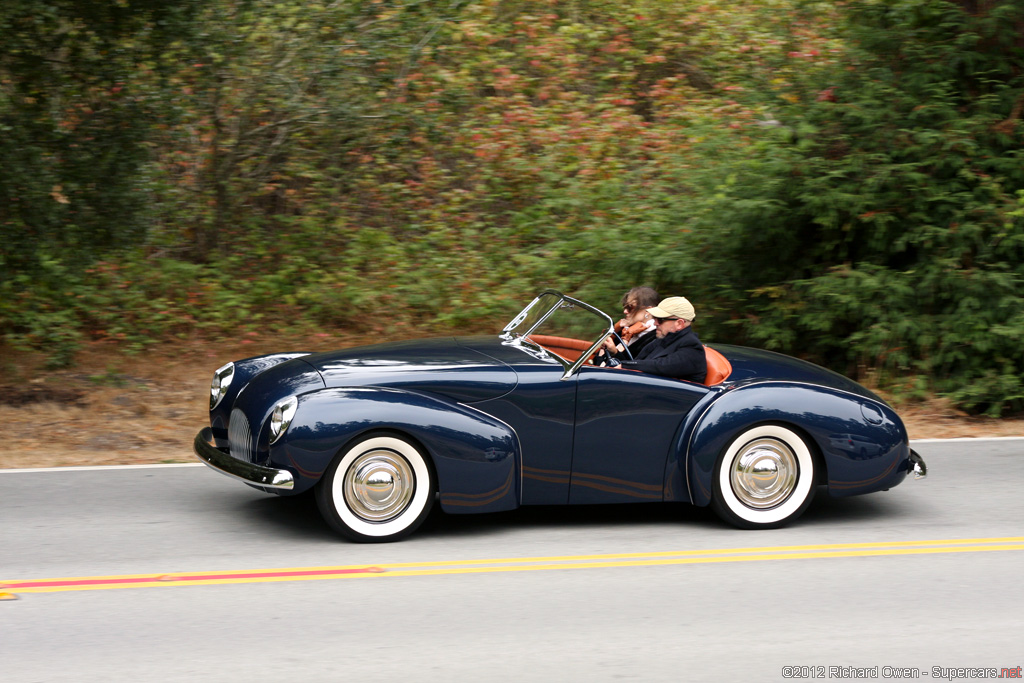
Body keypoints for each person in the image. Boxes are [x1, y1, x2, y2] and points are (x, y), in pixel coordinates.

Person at [614, 296, 707, 382]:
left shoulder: (692, 347)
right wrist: (614, 353)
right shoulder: (663, 339)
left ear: (679, 323)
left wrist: (626, 366)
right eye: (655, 318)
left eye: (660, 320)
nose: (655, 323)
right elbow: (638, 361)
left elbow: (662, 366)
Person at [594, 286, 660, 366]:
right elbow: (597, 361)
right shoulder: (625, 328)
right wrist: (613, 332)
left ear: (648, 311)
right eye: (625, 306)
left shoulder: (655, 337)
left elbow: (634, 368)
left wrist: (615, 351)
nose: (625, 311)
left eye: (630, 307)